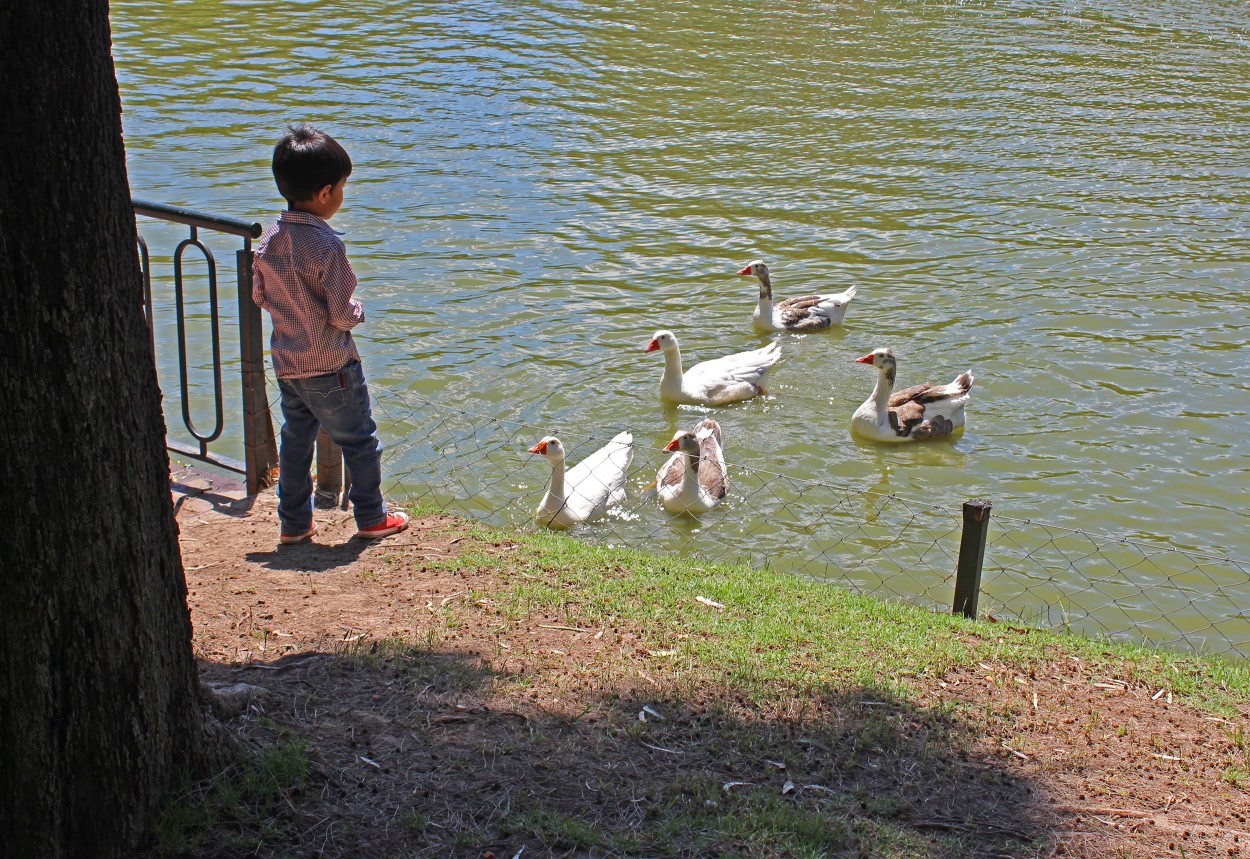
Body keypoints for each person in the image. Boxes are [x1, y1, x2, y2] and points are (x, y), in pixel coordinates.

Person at [252, 123, 409, 544]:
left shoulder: (268, 240)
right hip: (332, 366)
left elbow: (261, 296)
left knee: (296, 443)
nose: (341, 195)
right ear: (325, 193)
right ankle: (372, 517)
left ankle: (294, 524)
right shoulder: (326, 246)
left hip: (288, 362)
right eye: (341, 187)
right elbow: (339, 313)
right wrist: (357, 312)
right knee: (360, 440)